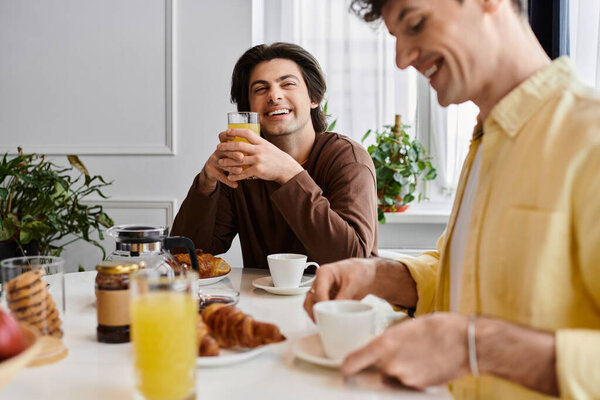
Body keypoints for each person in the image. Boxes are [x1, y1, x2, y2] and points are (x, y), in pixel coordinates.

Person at [303, 0, 600, 399]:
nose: (402, 59)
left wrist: (475, 347)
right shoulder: (488, 141)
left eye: (415, 24)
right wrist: (381, 277)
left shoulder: (589, 139)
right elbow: (471, 278)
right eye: (395, 38)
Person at [172, 42, 378, 269]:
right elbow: (184, 256)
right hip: (262, 302)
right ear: (248, 107)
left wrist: (288, 174)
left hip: (337, 303)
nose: (274, 96)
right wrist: (205, 185)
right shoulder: (242, 167)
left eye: (288, 84)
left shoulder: (347, 159)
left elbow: (352, 259)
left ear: (314, 97)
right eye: (260, 89)